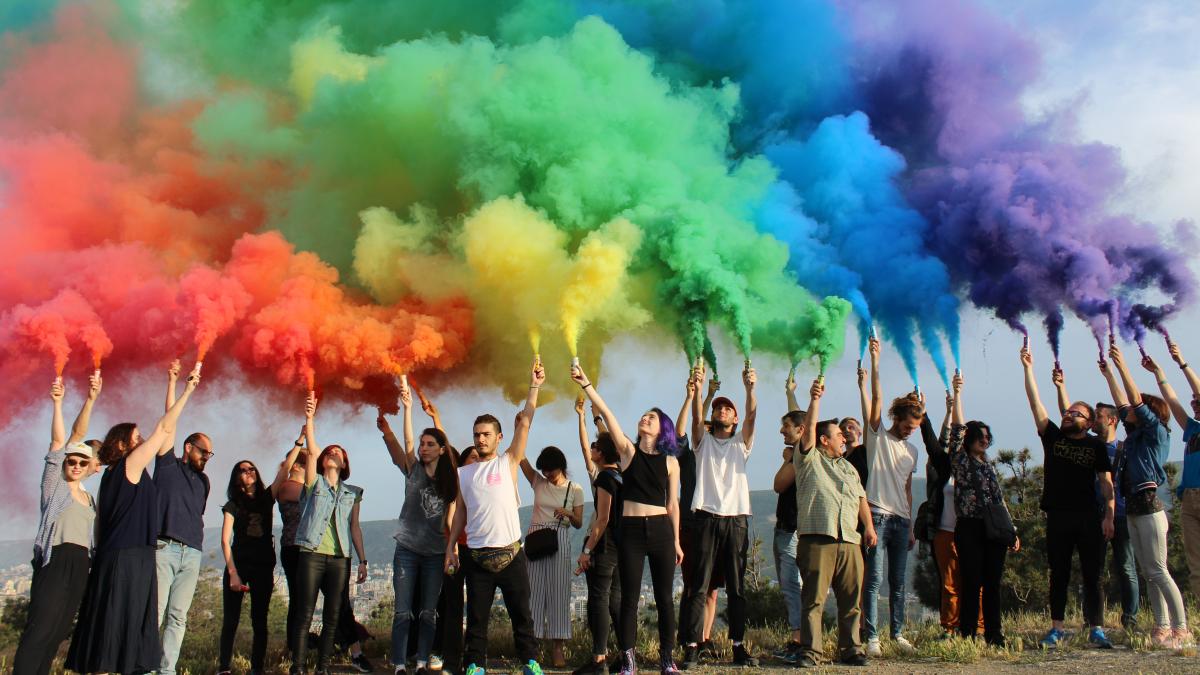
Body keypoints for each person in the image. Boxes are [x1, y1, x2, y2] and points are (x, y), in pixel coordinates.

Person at [67, 363, 201, 674]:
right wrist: (187, 391)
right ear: (123, 444)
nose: (142, 440)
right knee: (120, 629)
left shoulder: (111, 477)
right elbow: (165, 429)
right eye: (136, 437)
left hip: (117, 558)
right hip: (130, 558)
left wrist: (174, 383)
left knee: (110, 631)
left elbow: (100, 526)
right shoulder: (130, 465)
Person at [573, 361, 684, 675]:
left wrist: (676, 540)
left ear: (661, 427)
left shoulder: (671, 462)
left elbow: (673, 505)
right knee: (629, 599)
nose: (644, 418)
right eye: (643, 415)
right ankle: (629, 662)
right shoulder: (626, 452)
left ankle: (667, 660)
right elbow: (608, 415)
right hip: (632, 531)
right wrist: (587, 386)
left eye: (651, 417)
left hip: (662, 529)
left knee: (664, 597)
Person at [445, 359, 545, 675]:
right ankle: (475, 665)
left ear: (499, 437)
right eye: (477, 434)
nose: (480, 439)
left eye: (486, 434)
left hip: (512, 554)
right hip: (477, 558)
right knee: (476, 617)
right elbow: (460, 511)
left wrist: (534, 387)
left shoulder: (508, 463)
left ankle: (530, 662)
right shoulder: (463, 473)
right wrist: (451, 546)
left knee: (521, 615)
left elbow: (525, 422)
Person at [776, 376, 878, 667]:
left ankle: (852, 649)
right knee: (814, 600)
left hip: (849, 540)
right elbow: (807, 431)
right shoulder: (807, 459)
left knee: (850, 600)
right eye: (838, 435)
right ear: (823, 440)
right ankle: (811, 652)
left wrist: (868, 527)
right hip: (817, 538)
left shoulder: (849, 467)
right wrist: (815, 399)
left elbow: (860, 498)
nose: (844, 438)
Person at [1020, 343, 1116, 649]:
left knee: (1093, 575)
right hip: (1058, 515)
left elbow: (1106, 482)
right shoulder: (1053, 437)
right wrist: (1028, 369)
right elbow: (1035, 403)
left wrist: (1109, 516)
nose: (1068, 414)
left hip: (1089, 516)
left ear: (1087, 423)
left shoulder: (1096, 446)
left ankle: (1097, 628)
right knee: (1058, 573)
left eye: (1076, 412)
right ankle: (1057, 628)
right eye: (1068, 411)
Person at [14, 374, 101, 675]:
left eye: (81, 463)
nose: (75, 465)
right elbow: (63, 441)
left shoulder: (90, 500)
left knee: (56, 635)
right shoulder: (55, 488)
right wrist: (59, 403)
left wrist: (91, 398)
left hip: (80, 565)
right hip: (56, 561)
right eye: (70, 461)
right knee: (39, 630)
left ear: (90, 468)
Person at [1107, 346, 1191, 647]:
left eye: (1134, 410)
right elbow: (1122, 402)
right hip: (1133, 508)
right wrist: (1108, 374)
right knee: (1147, 571)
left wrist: (1122, 365)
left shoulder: (1156, 432)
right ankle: (1161, 625)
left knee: (1158, 569)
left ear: (1148, 413)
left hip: (1150, 507)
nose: (1126, 412)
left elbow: (1134, 401)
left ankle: (1182, 628)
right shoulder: (1133, 438)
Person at [678, 361, 758, 669]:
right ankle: (692, 647)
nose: (721, 411)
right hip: (706, 518)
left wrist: (750, 388)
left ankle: (738, 646)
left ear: (734, 419)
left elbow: (752, 415)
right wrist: (698, 388)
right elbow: (697, 416)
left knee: (737, 588)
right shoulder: (703, 442)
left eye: (727, 409)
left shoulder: (742, 443)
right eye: (718, 408)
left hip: (736, 519)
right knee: (699, 586)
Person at [379, 382, 460, 675]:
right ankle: (400, 664)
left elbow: (450, 452)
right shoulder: (412, 470)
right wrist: (409, 408)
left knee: (428, 612)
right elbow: (408, 440)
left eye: (430, 444)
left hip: (435, 553)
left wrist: (452, 549)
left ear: (440, 449)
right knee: (403, 612)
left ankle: (423, 663)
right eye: (423, 444)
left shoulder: (450, 478)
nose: (424, 448)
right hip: (407, 550)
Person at [1053, 367, 1139, 629]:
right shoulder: (1091, 445)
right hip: (1093, 515)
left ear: (1111, 420)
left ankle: (1130, 619)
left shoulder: (1122, 448)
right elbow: (1069, 416)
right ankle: (1091, 620)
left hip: (1121, 514)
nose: (1096, 420)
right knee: (1094, 571)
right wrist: (1060, 386)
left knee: (1126, 568)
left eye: (1100, 416)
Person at [290, 392, 369, 674]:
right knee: (305, 614)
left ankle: (322, 669)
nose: (334, 452)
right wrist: (310, 418)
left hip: (340, 559)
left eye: (340, 452)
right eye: (330, 451)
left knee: (333, 616)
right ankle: (298, 668)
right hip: (312, 553)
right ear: (323, 461)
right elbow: (311, 450)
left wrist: (362, 560)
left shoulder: (352, 493)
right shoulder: (315, 485)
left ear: (345, 464)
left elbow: (354, 527)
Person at [947, 372, 1020, 645]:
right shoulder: (961, 461)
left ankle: (994, 634)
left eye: (988, 437)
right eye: (981, 436)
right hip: (969, 526)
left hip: (994, 528)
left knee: (992, 583)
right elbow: (957, 431)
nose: (985, 441)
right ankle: (967, 632)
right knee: (972, 580)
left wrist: (1011, 530)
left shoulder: (989, 466)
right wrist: (957, 395)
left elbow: (999, 499)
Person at [860, 336, 919, 655]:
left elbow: (908, 489)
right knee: (875, 580)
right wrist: (876, 360)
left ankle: (897, 634)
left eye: (915, 427)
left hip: (901, 520)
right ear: (897, 418)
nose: (911, 430)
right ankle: (872, 639)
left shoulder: (912, 451)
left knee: (898, 582)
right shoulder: (877, 436)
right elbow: (877, 397)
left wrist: (910, 525)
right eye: (908, 425)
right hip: (877, 516)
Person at [154, 359, 214, 675]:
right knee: (156, 612)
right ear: (189, 447)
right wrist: (178, 386)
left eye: (210, 454)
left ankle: (166, 670)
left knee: (178, 615)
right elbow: (168, 424)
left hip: (191, 552)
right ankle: (145, 667)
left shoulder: (203, 481)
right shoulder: (166, 466)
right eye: (204, 451)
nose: (207, 457)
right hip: (163, 548)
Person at [921, 388, 983, 639]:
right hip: (944, 532)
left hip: (973, 534)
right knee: (949, 584)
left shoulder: (980, 468)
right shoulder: (946, 465)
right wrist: (925, 415)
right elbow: (935, 443)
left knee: (975, 582)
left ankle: (978, 627)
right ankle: (949, 627)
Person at [520, 447, 585, 667]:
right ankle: (533, 648)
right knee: (534, 593)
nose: (547, 474)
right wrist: (522, 426)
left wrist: (567, 513)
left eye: (551, 470)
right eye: (544, 470)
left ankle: (558, 648)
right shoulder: (538, 482)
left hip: (559, 537)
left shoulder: (575, 488)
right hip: (537, 537)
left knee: (559, 593)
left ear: (561, 466)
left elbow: (579, 522)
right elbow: (520, 457)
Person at [573, 402, 624, 675]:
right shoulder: (623, 473)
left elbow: (601, 520)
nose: (590, 449)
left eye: (595, 447)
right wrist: (591, 417)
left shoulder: (603, 478)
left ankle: (599, 660)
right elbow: (602, 441)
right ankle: (625, 656)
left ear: (601, 453)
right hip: (622, 548)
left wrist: (587, 551)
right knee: (615, 602)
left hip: (603, 546)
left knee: (599, 601)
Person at [675, 376, 722, 665]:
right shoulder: (688, 457)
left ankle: (705, 638)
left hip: (717, 524)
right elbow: (688, 427)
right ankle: (690, 640)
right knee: (694, 588)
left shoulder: (720, 456)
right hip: (691, 525)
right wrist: (696, 395)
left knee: (713, 590)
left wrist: (709, 393)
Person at [218, 458, 279, 674]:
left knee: (259, 620)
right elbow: (225, 541)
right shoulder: (232, 504)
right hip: (239, 564)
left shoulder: (267, 497)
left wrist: (299, 441)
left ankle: (257, 668)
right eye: (243, 470)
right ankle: (224, 667)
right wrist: (233, 574)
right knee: (231, 619)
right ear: (237, 477)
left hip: (263, 565)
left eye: (251, 468)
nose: (248, 472)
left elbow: (284, 472)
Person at [1150, 341, 1200, 604]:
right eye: (1193, 401)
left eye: (1198, 401)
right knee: (1196, 565)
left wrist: (1181, 363)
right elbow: (1171, 400)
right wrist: (1159, 373)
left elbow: (1198, 390)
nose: (1194, 403)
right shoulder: (1192, 429)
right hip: (1190, 501)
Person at [770, 374, 805, 664]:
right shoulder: (798, 451)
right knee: (791, 584)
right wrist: (790, 392)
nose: (782, 430)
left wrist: (787, 460)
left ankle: (799, 640)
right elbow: (799, 417)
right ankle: (800, 637)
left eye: (786, 427)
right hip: (787, 527)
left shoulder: (800, 455)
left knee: (792, 584)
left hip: (793, 529)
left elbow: (779, 484)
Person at [276, 428, 310, 662]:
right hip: (294, 548)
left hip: (305, 547)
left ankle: (301, 644)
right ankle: (295, 647)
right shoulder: (288, 486)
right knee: (299, 599)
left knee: (304, 599)